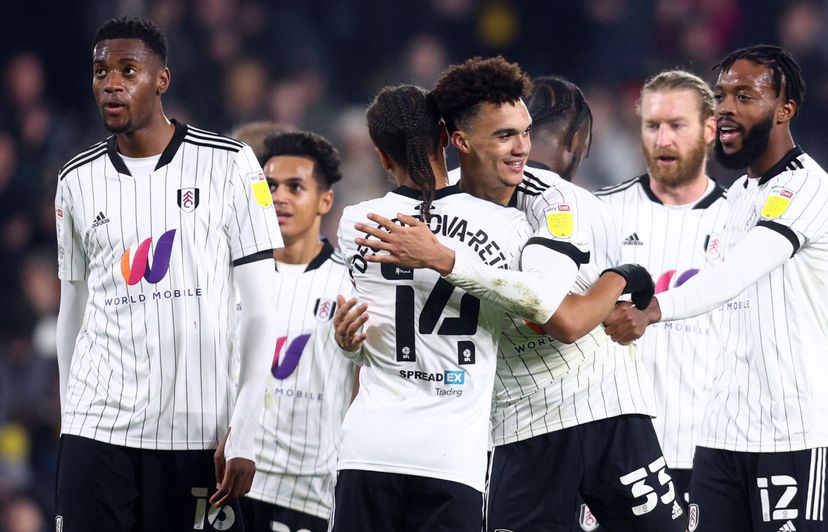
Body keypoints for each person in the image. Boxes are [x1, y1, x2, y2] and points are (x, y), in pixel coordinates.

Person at [356, 57, 682, 531]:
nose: (522, 148)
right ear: (461, 142)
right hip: (518, 426)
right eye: (505, 136)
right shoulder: (424, 217)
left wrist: (625, 273)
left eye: (525, 132)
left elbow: (563, 317)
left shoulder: (555, 202)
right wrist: (350, 342)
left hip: (604, 407)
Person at [605, 45, 828, 532]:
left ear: (785, 110)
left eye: (745, 96)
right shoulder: (738, 196)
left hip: (796, 434)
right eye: (721, 96)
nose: (725, 108)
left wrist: (653, 308)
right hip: (721, 436)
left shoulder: (806, 187)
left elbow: (737, 274)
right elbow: (727, 305)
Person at [54, 16, 281, 531]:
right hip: (98, 429)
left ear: (162, 80)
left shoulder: (230, 165)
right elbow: (74, 307)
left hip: (195, 432)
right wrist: (71, 420)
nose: (110, 82)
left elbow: (262, 308)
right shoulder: (75, 181)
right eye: (100, 71)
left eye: (127, 70)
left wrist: (244, 426)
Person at [330, 84, 533, 531]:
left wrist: (347, 345)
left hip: (369, 449)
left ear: (381, 157)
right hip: (451, 457)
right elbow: (532, 308)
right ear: (446, 137)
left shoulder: (355, 224)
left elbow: (369, 331)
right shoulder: (508, 227)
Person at [595, 70, 728, 508]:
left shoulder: (745, 223)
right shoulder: (601, 215)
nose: (663, 139)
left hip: (710, 451)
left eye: (677, 125)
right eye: (652, 126)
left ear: (710, 129)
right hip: (614, 453)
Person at [239, 131, 356, 532]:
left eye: (295, 187)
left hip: (307, 490)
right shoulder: (229, 276)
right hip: (229, 479)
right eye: (270, 186)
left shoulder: (349, 285)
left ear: (326, 200)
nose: (279, 197)